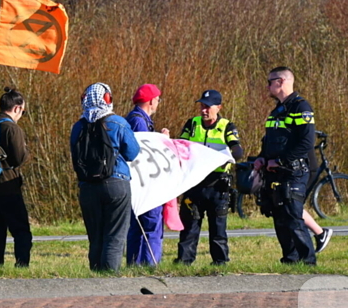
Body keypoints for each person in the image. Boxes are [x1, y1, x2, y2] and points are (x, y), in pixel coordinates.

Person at [70, 82, 140, 272]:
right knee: (114, 236)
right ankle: (109, 278)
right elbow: (132, 153)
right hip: (116, 184)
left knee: (96, 237)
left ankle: (95, 276)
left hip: (87, 187)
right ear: (107, 99)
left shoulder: (78, 127)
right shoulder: (118, 122)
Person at [253, 67, 317, 265]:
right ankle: (290, 259)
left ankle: (308, 261)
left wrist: (281, 161)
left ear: (280, 82)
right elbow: (270, 140)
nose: (267, 86)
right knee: (279, 217)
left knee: (293, 216)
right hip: (275, 173)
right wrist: (262, 158)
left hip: (293, 171)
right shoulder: (277, 110)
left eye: (270, 81)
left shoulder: (301, 107)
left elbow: (306, 143)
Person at [176, 89, 244, 265]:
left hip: (218, 186)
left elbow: (237, 151)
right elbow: (180, 146)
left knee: (218, 229)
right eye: (202, 106)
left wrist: (224, 158)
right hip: (194, 184)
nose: (204, 110)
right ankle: (184, 262)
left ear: (219, 107)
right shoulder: (192, 124)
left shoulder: (226, 126)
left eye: (208, 107)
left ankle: (220, 263)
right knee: (189, 228)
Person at [0, 88, 32, 267]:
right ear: (17, 108)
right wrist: (25, 149)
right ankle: (21, 266)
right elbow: (18, 159)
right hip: (7, 187)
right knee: (21, 231)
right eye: (23, 112)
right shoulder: (12, 128)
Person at [124, 83, 170, 266]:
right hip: (146, 184)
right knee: (151, 225)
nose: (158, 103)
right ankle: (149, 265)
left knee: (137, 227)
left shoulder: (135, 119)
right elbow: (144, 153)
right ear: (151, 101)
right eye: (158, 99)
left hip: (137, 183)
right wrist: (163, 141)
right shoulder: (139, 121)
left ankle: (135, 265)